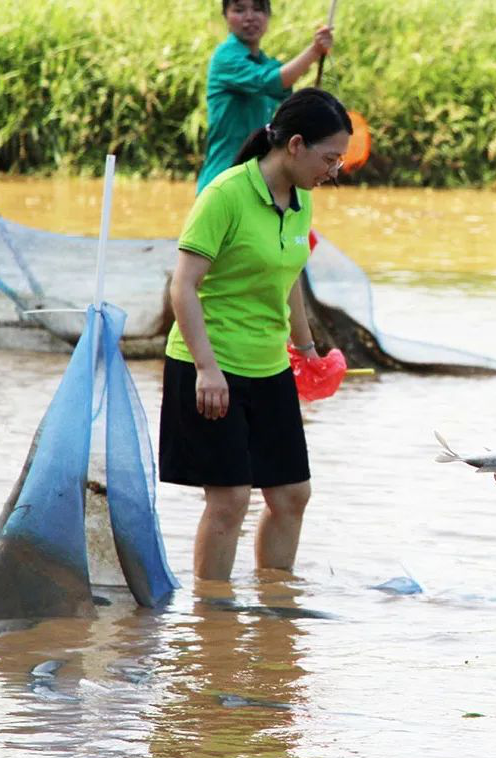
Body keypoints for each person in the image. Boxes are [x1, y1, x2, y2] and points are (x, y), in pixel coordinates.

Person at [160, 88, 352, 581]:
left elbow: (288, 281)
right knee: (230, 500)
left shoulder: (302, 199)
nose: (334, 170)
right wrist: (207, 368)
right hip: (210, 367)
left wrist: (308, 352)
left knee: (291, 495)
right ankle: (212, 618)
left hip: (269, 366)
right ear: (294, 146)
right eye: (329, 158)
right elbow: (182, 286)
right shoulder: (225, 194)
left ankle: (275, 603)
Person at [196, 0, 334, 193]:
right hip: (223, 180)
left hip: (256, 182)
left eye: (258, 9)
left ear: (268, 16)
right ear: (225, 16)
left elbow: (285, 92)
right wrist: (314, 50)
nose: (250, 17)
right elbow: (271, 82)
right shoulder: (225, 58)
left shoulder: (266, 63)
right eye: (239, 10)